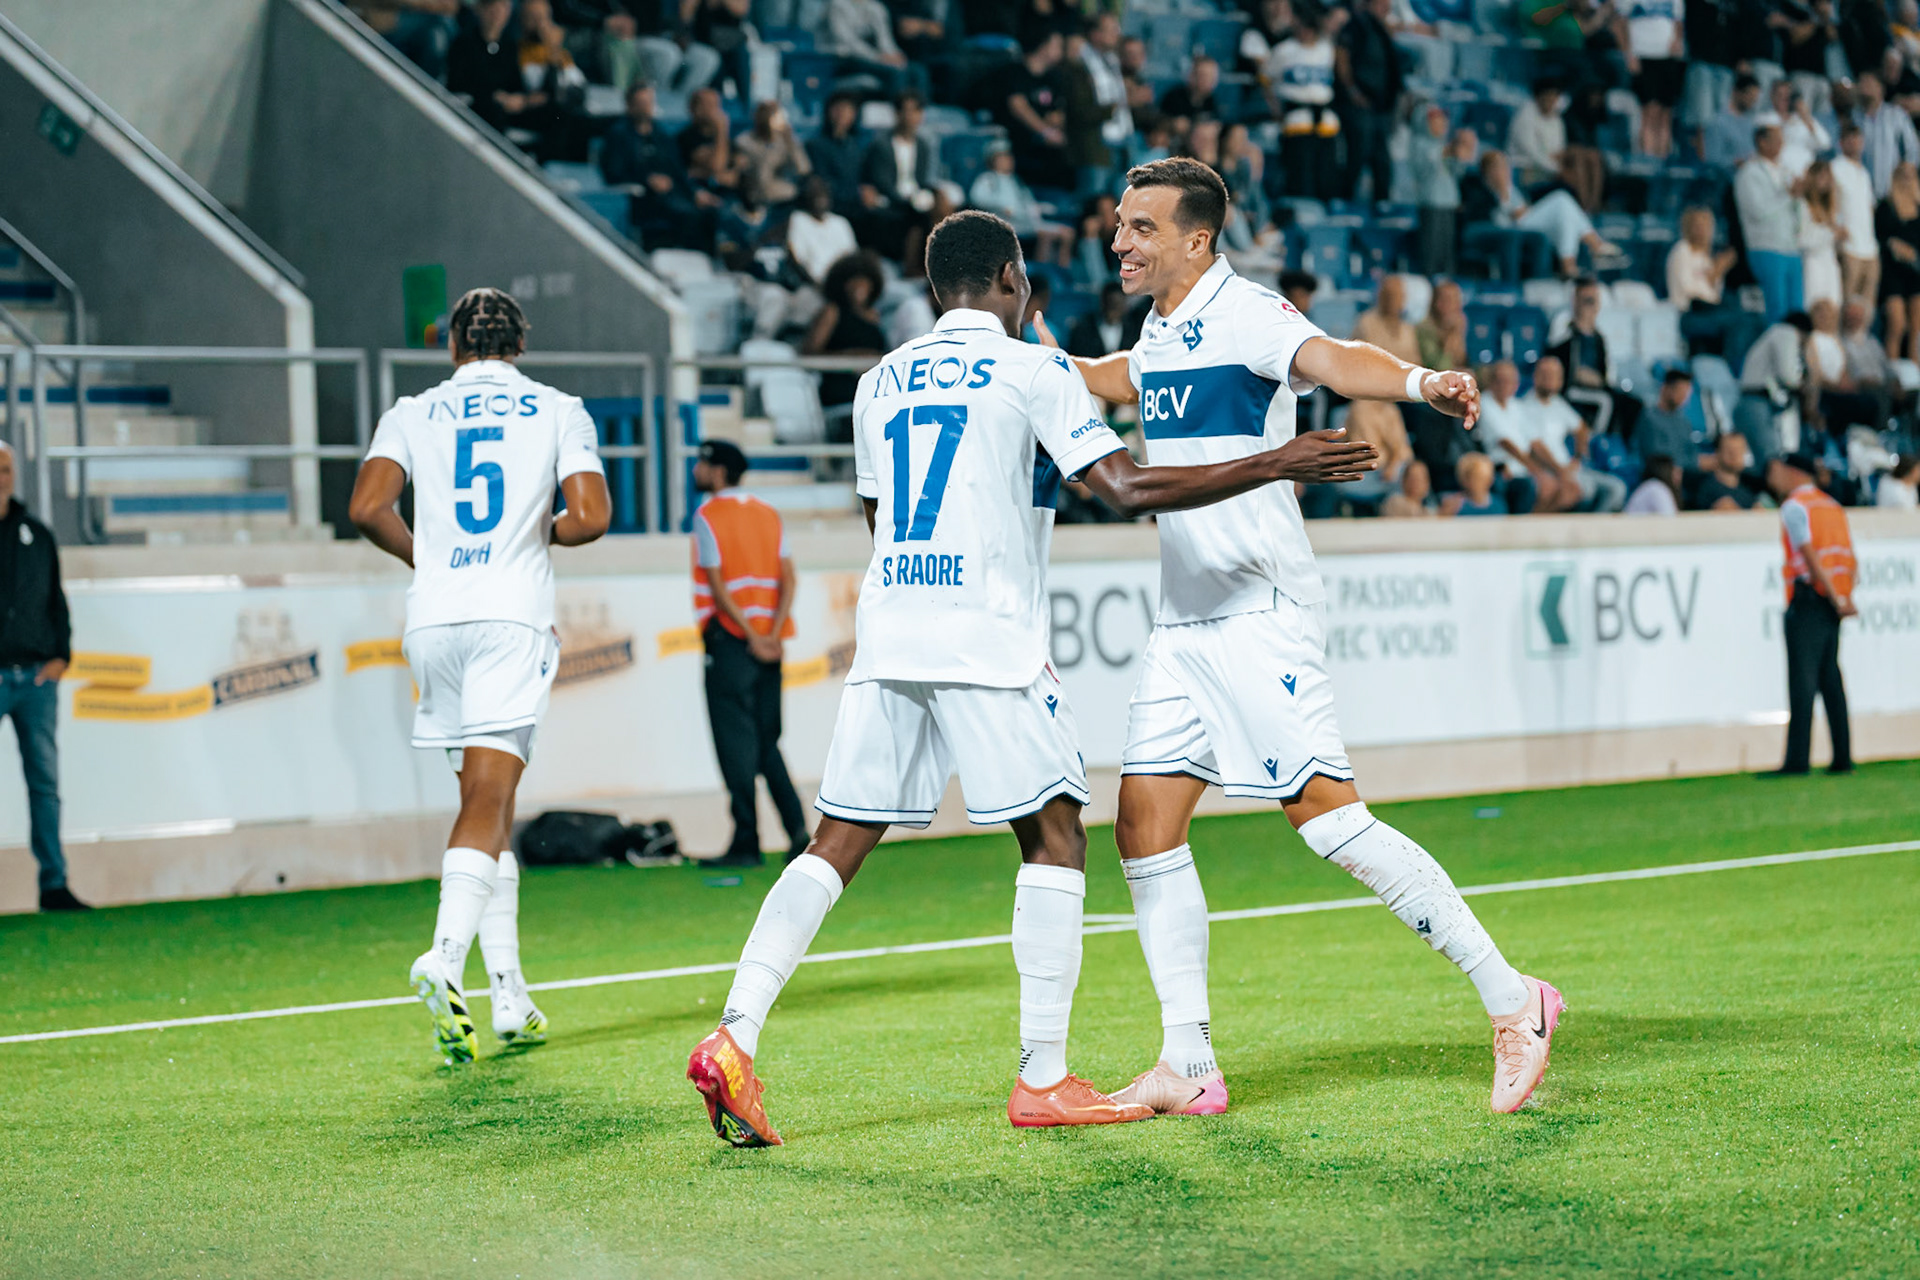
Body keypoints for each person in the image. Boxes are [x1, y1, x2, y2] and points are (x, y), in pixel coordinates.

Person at [685, 209, 1379, 1147]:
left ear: (936, 288)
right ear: (1012, 280)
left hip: (891, 632)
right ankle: (1043, 1078)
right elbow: (1126, 489)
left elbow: (878, 516)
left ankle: (734, 1033)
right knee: (1055, 838)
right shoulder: (1033, 371)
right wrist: (1277, 461)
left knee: (835, 841)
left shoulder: (877, 380)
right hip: (989, 642)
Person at [1057, 158, 1563, 1119]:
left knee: (1329, 823)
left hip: (1260, 610)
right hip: (1184, 624)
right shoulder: (1158, 327)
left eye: (1141, 228)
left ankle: (1515, 1000)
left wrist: (1420, 380)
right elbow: (1119, 378)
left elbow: (1332, 358)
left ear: (1197, 239)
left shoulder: (1248, 313)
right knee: (1143, 828)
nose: (1119, 241)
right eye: (1119, 225)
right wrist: (1049, 368)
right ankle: (1188, 1064)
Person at [348, 287, 612, 1063]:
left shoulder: (411, 410)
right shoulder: (558, 409)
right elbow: (591, 518)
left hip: (434, 621)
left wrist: (427, 557)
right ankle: (445, 955)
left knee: (485, 803)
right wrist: (538, 532)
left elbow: (367, 507)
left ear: (453, 346)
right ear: (519, 345)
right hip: (507, 618)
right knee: (491, 799)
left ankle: (510, 994)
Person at [688, 440, 810, 867]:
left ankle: (746, 841)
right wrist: (771, 633)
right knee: (766, 742)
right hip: (770, 645)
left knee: (735, 745)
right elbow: (789, 578)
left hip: (731, 643)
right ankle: (798, 831)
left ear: (719, 471)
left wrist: (750, 636)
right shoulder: (768, 513)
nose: (697, 469)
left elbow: (718, 586)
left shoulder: (707, 516)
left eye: (703, 463)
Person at [0, 442, 83, 913]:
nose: (1, 476)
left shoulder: (37, 534)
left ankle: (54, 883)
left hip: (35, 681)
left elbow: (56, 602)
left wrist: (60, 658)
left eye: (6, 468)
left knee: (45, 784)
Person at [1764, 452, 1857, 776]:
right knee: (1830, 679)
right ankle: (1842, 757)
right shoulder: (1831, 506)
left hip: (1810, 598)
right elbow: (1849, 558)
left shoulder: (1795, 507)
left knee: (1802, 681)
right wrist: (1844, 597)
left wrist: (1832, 595)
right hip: (1834, 601)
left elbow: (1810, 556)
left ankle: (1797, 760)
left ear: (1793, 472)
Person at [1525, 355, 1628, 511]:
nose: (1550, 380)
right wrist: (1561, 470)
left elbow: (1581, 428)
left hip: (1570, 470)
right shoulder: (1525, 406)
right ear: (1536, 377)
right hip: (1548, 471)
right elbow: (1535, 447)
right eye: (1546, 375)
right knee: (1586, 490)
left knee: (1617, 489)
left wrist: (1578, 457)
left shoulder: (1558, 404)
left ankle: (1595, 525)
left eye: (1555, 376)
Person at [1551, 276, 1643, 443]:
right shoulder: (1563, 325)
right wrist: (1580, 324)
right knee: (1606, 400)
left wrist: (1599, 380)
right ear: (1576, 301)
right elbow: (1556, 352)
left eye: (1594, 300)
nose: (1591, 305)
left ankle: (1620, 447)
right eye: (1587, 300)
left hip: (1596, 385)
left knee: (1633, 403)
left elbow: (1606, 371)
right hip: (1571, 387)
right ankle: (1596, 442)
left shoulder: (1598, 336)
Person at [1668, 206, 1764, 363]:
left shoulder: (1706, 257)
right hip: (1690, 313)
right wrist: (1715, 272)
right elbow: (1690, 291)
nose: (1702, 230)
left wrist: (1717, 271)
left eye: (1706, 226)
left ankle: (1748, 365)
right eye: (1698, 225)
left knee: (1755, 320)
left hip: (1711, 310)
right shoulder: (1682, 251)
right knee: (1737, 322)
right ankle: (1733, 367)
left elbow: (1715, 293)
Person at [805, 251, 889, 424]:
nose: (858, 286)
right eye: (852, 281)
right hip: (841, 391)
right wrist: (850, 357)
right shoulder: (832, 312)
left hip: (874, 392)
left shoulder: (875, 317)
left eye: (863, 281)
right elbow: (809, 354)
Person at [1738, 124, 1809, 323]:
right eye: (1777, 140)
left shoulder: (1785, 172)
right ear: (1762, 142)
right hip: (1766, 247)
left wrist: (1797, 197)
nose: (1781, 144)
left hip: (1791, 248)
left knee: (1797, 310)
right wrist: (1788, 195)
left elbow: (1794, 209)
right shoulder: (1749, 173)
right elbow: (1758, 211)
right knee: (1776, 309)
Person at [1336, 0, 1403, 203]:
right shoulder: (1356, 25)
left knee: (1382, 160)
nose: (1386, 8)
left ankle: (1382, 204)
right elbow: (1342, 57)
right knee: (1357, 154)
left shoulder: (1382, 30)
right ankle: (1345, 202)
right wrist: (1352, 91)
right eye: (1382, 3)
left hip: (1380, 107)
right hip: (1358, 105)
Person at [1266, 17, 1340, 199]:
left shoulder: (1327, 49)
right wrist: (1275, 108)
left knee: (1326, 172)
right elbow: (1266, 80)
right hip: (1296, 117)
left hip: (1325, 118)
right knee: (1300, 172)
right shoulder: (1283, 50)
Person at [970, 139, 1074, 266]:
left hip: (1026, 221)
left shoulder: (1016, 181)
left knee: (1067, 233)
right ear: (993, 160)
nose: (1008, 160)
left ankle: (1061, 271)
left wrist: (1040, 207)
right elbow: (977, 197)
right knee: (1046, 235)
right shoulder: (988, 179)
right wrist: (1002, 206)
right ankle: (1041, 270)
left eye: (1009, 156)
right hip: (1006, 223)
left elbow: (1028, 202)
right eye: (1003, 157)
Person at [1473, 359, 1549, 511]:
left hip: (1523, 468)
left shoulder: (1517, 406)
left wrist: (1555, 470)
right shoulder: (1484, 404)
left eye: (1510, 381)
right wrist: (1535, 470)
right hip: (1499, 469)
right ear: (1491, 382)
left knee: (1558, 487)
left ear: (1517, 384)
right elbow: (1505, 443)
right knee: (1529, 486)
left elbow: (1535, 442)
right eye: (1500, 380)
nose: (1505, 385)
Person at [1626, 0, 1686, 158]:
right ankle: (1648, 158)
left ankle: (1663, 157)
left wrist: (1677, 41)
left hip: (1667, 56)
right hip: (1643, 54)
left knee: (1666, 112)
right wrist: (1628, 53)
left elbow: (1679, 21)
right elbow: (1621, 21)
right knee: (1649, 110)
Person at [1834, 123, 1883, 303]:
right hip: (1849, 248)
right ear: (1841, 143)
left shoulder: (1864, 173)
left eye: (1858, 140)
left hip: (1870, 249)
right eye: (1850, 140)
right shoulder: (1835, 168)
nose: (1855, 144)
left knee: (1867, 308)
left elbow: (1869, 207)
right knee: (1847, 304)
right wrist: (1837, 230)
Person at [1410, 104, 1461, 275]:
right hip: (1430, 202)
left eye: (1442, 120)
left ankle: (1446, 279)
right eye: (1435, 121)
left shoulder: (1445, 145)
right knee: (1431, 250)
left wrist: (1458, 157)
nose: (1441, 124)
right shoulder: (1419, 143)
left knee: (1446, 249)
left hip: (1449, 202)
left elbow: (1457, 173)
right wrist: (1444, 152)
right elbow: (1422, 169)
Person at [1877, 161, 1920, 360]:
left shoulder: (1918, 208)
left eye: (1910, 175)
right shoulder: (1886, 206)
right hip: (1892, 272)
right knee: (1897, 324)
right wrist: (1893, 244)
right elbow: (1881, 235)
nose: (1906, 179)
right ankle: (1893, 369)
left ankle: (1915, 370)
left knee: (1917, 327)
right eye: (1902, 174)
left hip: (1915, 271)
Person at [733, 101, 811, 209]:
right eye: (765, 115)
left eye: (774, 115)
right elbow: (760, 176)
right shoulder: (744, 141)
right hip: (753, 196)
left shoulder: (787, 142)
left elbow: (803, 169)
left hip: (784, 197)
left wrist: (790, 142)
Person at [1854, 69, 1920, 196]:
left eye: (1869, 82)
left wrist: (1907, 171)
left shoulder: (1896, 115)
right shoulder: (1854, 118)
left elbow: (1912, 149)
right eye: (1861, 83)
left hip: (1892, 191)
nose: (1864, 87)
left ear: (1880, 88)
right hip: (1863, 191)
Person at [805, 92, 868, 216]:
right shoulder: (815, 146)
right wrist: (857, 193)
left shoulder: (857, 146)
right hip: (831, 207)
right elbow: (822, 183)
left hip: (857, 206)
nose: (842, 114)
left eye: (848, 109)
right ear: (829, 111)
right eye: (838, 109)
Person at [1799, 160, 1845, 309]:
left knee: (1833, 306)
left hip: (1829, 263)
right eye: (1822, 177)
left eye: (1828, 177)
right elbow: (1803, 239)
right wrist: (1831, 234)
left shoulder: (1830, 210)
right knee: (1815, 306)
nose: (1826, 182)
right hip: (1812, 263)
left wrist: (1839, 237)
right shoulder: (1803, 205)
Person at [1066, 280, 1146, 359]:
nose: (1113, 310)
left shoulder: (1136, 332)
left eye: (1118, 305)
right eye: (1111, 304)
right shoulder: (1083, 331)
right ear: (1102, 303)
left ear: (1124, 305)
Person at [1702, 72, 1764, 168]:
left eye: (1754, 98)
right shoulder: (1718, 122)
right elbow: (1712, 159)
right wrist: (1735, 162)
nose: (1752, 102)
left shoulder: (1750, 124)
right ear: (1736, 92)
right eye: (1750, 96)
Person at [1695, 430, 1767, 507]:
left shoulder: (1750, 487)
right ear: (1718, 452)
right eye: (1729, 450)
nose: (1735, 455)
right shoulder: (1707, 489)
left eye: (1739, 450)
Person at [1448, 450, 1510, 515]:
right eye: (1475, 478)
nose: (1480, 483)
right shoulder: (1455, 506)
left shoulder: (1499, 505)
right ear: (1464, 480)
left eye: (1484, 478)